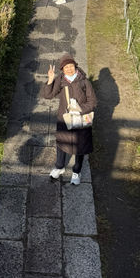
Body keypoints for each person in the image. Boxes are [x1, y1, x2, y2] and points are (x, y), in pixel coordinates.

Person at [41, 54, 96, 185]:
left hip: (81, 119)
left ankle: (77, 171)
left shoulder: (84, 82)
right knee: (62, 143)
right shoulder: (60, 81)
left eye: (71, 66)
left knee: (80, 146)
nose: (69, 69)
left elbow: (93, 102)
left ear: (75, 66)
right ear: (62, 69)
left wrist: (80, 109)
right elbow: (47, 95)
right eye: (66, 67)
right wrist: (50, 80)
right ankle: (59, 167)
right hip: (64, 119)